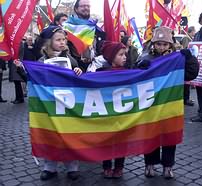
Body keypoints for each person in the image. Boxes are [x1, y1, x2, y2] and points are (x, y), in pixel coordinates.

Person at [15, 26, 83, 181]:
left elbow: (77, 76)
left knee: (67, 136)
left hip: (66, 105)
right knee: (49, 136)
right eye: (58, 39)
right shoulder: (41, 61)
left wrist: (78, 71)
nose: (62, 42)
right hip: (47, 105)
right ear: (48, 42)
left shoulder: (70, 58)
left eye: (64, 39)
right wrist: (21, 70)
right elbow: (32, 80)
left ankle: (72, 167)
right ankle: (49, 167)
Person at [137, 26, 199, 179]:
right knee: (150, 135)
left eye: (165, 44)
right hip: (150, 105)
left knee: (169, 136)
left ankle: (168, 166)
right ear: (153, 44)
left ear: (170, 45)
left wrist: (190, 58)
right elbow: (134, 78)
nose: (161, 47)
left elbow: (191, 74)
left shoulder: (176, 59)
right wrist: (139, 67)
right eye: (158, 44)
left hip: (170, 105)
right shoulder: (146, 58)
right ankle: (149, 165)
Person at [96, 41, 127, 179]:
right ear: (111, 57)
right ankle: (107, 167)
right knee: (106, 142)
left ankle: (119, 167)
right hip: (106, 115)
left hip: (123, 115)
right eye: (121, 54)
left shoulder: (129, 72)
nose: (125, 57)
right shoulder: (100, 73)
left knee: (121, 142)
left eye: (125, 54)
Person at [68, 0, 105, 71]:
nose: (86, 8)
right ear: (76, 9)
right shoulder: (69, 27)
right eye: (82, 6)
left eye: (88, 6)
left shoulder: (97, 29)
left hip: (96, 68)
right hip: (77, 69)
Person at [180, 26, 196, 106]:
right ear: (191, 31)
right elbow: (186, 49)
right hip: (186, 62)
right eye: (194, 31)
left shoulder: (189, 38)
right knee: (186, 83)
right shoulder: (186, 39)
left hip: (188, 61)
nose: (195, 33)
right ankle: (185, 99)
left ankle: (186, 98)